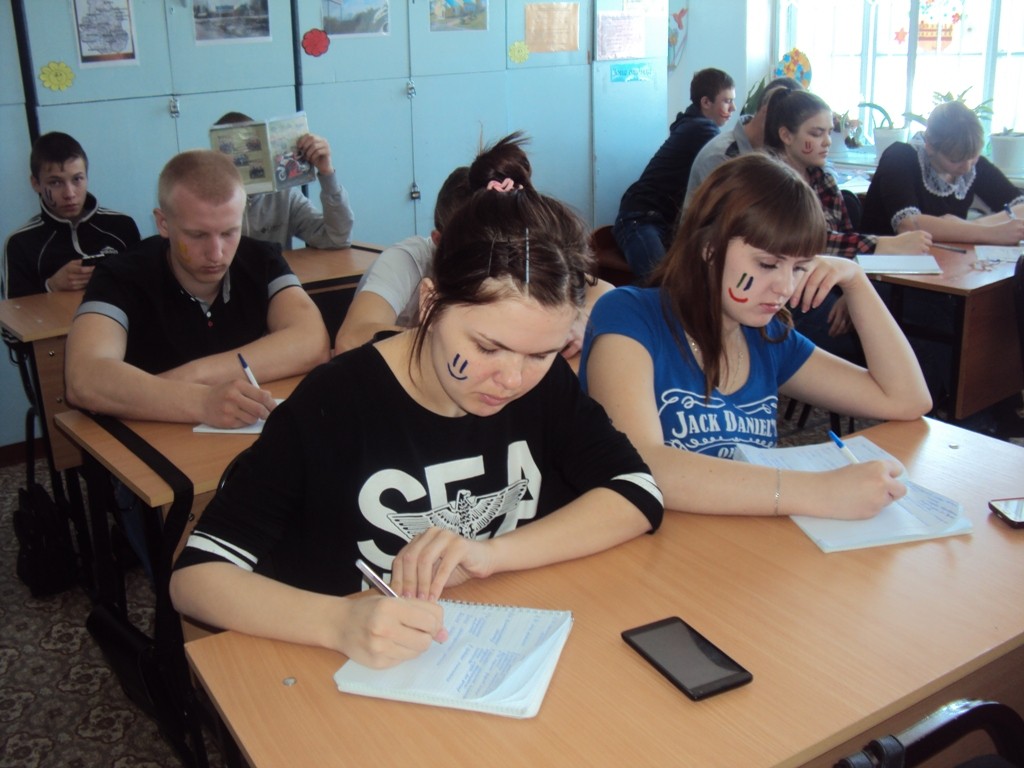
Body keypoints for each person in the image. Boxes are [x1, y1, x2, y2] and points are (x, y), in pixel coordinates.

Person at [169, 141, 664, 669]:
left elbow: (637, 493)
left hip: (479, 647)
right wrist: (338, 621)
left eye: (541, 354)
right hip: (345, 668)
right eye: (487, 348)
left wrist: (489, 555)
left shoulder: (542, 385)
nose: (513, 379)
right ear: (429, 303)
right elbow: (195, 578)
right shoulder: (334, 404)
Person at [580, 153, 931, 519]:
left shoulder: (767, 337)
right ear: (709, 249)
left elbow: (905, 399)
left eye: (800, 267)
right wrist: (820, 491)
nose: (785, 287)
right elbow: (644, 465)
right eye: (767, 264)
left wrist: (857, 281)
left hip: (743, 541)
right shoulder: (630, 316)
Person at [65, 149, 330, 428]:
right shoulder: (119, 275)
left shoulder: (262, 259)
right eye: (197, 235)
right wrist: (202, 402)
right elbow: (83, 379)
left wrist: (193, 377)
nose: (216, 253)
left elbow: (313, 342)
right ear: (163, 223)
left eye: (229, 232)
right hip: (150, 435)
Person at [334, 132, 612, 358]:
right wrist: (458, 339)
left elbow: (602, 290)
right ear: (439, 242)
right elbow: (352, 337)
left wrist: (578, 318)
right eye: (474, 252)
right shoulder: (407, 260)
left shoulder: (513, 250)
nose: (493, 262)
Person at [762, 90, 933, 359]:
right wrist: (884, 244)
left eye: (829, 132)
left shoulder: (823, 178)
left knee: (905, 307)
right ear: (786, 135)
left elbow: (845, 240)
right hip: (787, 294)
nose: (827, 141)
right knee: (875, 338)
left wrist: (851, 290)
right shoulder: (768, 181)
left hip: (828, 283)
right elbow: (812, 244)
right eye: (816, 133)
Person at [612, 68, 736, 279]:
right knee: (662, 282)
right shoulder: (703, 130)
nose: (733, 108)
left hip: (662, 222)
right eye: (727, 101)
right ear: (706, 102)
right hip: (640, 219)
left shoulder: (691, 123)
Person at [860, 100, 1024, 243]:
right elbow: (909, 225)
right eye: (955, 160)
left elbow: (1021, 207)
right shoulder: (900, 157)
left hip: (943, 260)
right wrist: (990, 233)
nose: (967, 167)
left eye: (973, 157)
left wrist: (974, 226)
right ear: (930, 146)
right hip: (883, 262)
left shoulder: (970, 161)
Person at [2, 132, 140, 299]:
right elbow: (14, 311)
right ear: (36, 183)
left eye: (77, 179)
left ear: (87, 177)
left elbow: (146, 287)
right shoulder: (20, 244)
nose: (69, 194)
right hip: (55, 318)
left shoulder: (121, 226)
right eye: (55, 182)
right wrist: (50, 286)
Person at [215, 112, 355, 251]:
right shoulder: (208, 203)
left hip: (275, 267)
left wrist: (327, 173)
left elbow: (337, 239)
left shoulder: (284, 196)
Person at [682, 76, 802, 212]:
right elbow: (731, 218)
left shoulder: (769, 151)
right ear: (768, 112)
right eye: (790, 128)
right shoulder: (721, 156)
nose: (790, 137)